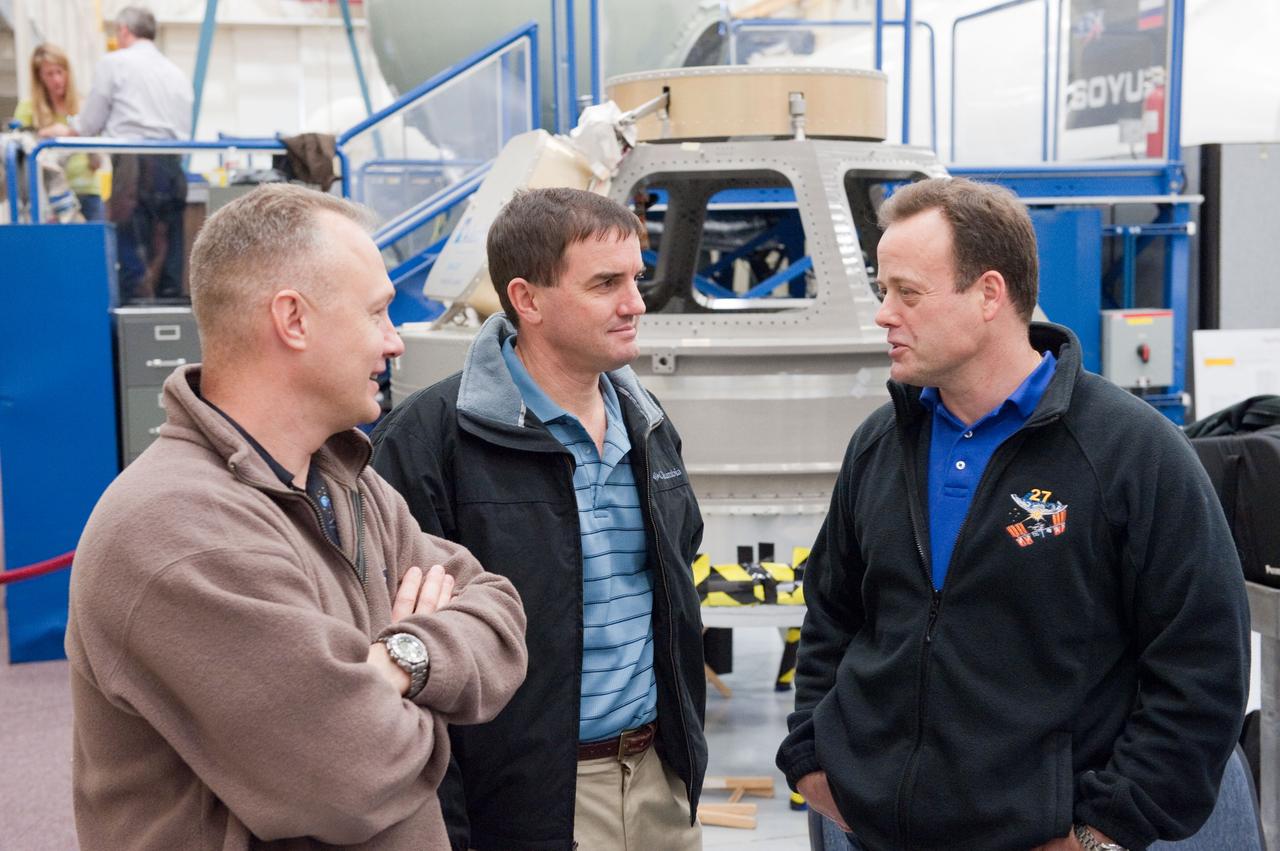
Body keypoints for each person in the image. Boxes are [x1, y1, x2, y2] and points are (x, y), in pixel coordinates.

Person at [775, 177, 1250, 851]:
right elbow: (832, 613)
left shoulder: (1132, 453)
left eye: (906, 292)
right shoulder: (880, 443)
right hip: (876, 829)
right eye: (884, 290)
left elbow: (1203, 667)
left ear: (989, 295)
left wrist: (1104, 831)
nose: (884, 314)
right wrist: (814, 758)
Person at [66, 183, 528, 850]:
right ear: (293, 319)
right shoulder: (176, 531)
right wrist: (432, 697)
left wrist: (402, 655)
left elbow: (501, 615)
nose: (394, 341)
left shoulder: (348, 482)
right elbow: (354, 773)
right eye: (376, 313)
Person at [371, 187, 708, 850]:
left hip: (658, 784)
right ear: (527, 299)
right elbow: (403, 661)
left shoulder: (647, 426)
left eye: (636, 278)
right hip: (528, 804)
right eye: (606, 283)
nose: (635, 304)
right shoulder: (430, 444)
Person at [43, 6, 193, 301]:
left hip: (133, 164)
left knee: (132, 254)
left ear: (124, 30)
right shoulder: (176, 73)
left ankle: (134, 333)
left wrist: (63, 131)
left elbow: (88, 125)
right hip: (173, 166)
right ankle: (170, 329)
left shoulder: (115, 63)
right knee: (168, 252)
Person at [13, 43, 103, 220]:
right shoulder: (28, 109)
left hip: (86, 191)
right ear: (39, 77)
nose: (57, 79)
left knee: (91, 245)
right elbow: (19, 150)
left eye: (60, 71)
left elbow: (98, 158)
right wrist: (44, 135)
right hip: (47, 196)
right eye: (49, 74)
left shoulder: (84, 106)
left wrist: (72, 134)